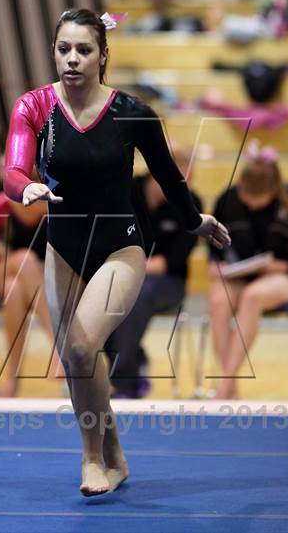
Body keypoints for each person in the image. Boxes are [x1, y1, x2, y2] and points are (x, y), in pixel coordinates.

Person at [3, 8, 230, 496]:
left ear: (103, 56)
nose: (72, 59)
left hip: (120, 246)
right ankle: (115, 456)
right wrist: (25, 190)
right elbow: (13, 169)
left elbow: (170, 178)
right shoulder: (34, 106)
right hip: (62, 247)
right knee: (78, 359)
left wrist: (196, 222)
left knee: (83, 346)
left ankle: (91, 459)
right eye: (64, 48)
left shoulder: (133, 113)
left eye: (84, 50)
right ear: (53, 52)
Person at [105, 146, 203, 398]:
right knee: (100, 294)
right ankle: (133, 357)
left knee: (138, 293)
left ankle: (124, 380)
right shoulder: (127, 192)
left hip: (168, 283)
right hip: (124, 275)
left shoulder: (192, 203)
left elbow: (172, 261)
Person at [208, 140, 288, 400]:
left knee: (252, 297)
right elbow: (213, 249)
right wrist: (215, 265)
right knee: (218, 299)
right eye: (247, 199)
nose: (252, 206)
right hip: (240, 274)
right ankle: (231, 389)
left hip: (286, 277)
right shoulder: (228, 199)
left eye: (259, 201)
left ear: (274, 190)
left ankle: (224, 386)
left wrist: (283, 266)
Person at [0, 175, 62, 396]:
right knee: (25, 258)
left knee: (13, 290)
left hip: (36, 281)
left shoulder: (51, 204)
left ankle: (11, 379)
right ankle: (57, 343)